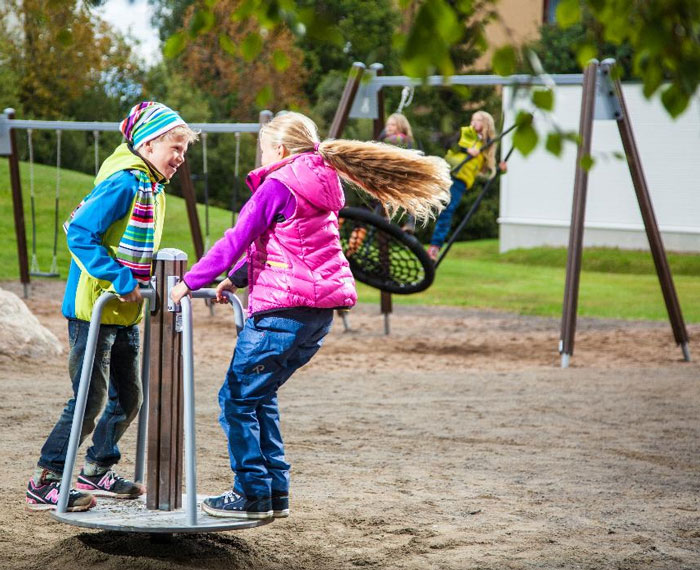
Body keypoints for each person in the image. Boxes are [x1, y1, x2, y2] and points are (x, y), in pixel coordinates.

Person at [170, 111, 450, 520]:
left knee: (234, 400)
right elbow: (295, 242)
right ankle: (274, 492)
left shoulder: (277, 185)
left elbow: (237, 237)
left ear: (279, 150)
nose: (261, 157)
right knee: (259, 396)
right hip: (316, 318)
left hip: (280, 314)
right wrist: (237, 278)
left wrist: (189, 283)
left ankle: (250, 492)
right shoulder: (321, 182)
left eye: (263, 149)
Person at [25, 102, 199, 512]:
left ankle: (96, 467)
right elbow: (80, 233)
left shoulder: (150, 186)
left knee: (130, 397)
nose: (180, 158)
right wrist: (121, 279)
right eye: (174, 148)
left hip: (124, 312)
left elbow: (137, 249)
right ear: (148, 142)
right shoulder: (124, 182)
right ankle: (46, 477)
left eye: (184, 151)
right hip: (94, 309)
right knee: (89, 399)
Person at [427, 110, 505, 261]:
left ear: (486, 124)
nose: (473, 123)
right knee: (428, 199)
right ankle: (410, 224)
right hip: (448, 171)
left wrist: (500, 171)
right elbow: (450, 144)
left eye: (477, 120)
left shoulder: (487, 146)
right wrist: (466, 150)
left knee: (447, 211)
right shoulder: (466, 133)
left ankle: (434, 247)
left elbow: (487, 172)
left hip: (460, 181)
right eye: (472, 119)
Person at [378, 112, 417, 233]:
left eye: (393, 125)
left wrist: (383, 134)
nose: (389, 127)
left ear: (401, 127)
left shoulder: (400, 139)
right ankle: (408, 223)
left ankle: (400, 221)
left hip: (401, 176)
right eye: (387, 125)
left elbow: (381, 141)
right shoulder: (408, 140)